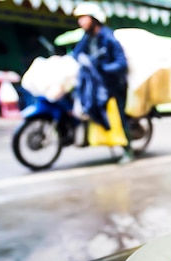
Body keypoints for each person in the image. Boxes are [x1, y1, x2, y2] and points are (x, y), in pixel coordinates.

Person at [71, 2, 133, 164]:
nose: (81, 22)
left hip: (114, 86)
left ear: (94, 19)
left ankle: (128, 150)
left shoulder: (108, 37)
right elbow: (76, 54)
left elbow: (121, 63)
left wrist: (104, 67)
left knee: (119, 118)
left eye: (84, 18)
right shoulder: (87, 38)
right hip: (96, 84)